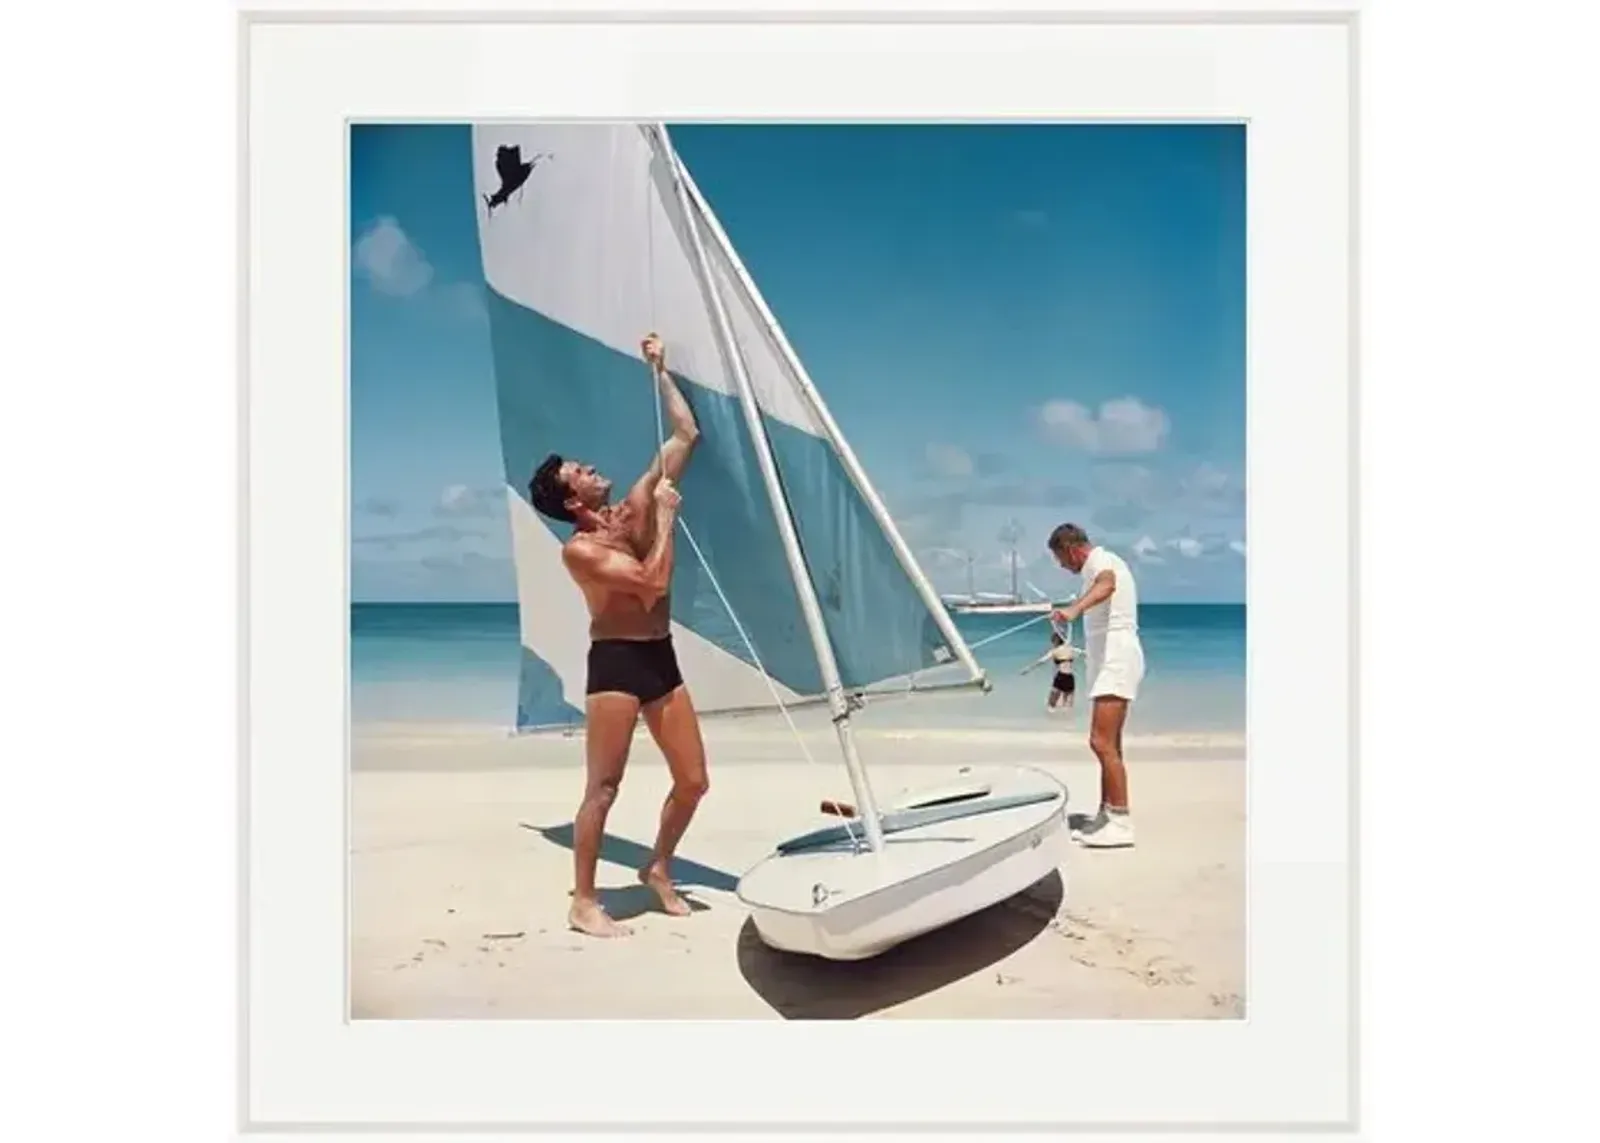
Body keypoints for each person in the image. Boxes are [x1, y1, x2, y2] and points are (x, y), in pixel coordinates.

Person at [526, 332, 707, 937]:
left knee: (694, 781)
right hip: (615, 667)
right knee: (603, 787)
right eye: (580, 471)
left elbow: (685, 436)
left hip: (660, 658)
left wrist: (660, 371)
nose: (592, 467)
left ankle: (656, 867)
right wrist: (669, 518)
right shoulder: (581, 552)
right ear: (571, 498)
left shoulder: (632, 509)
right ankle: (583, 901)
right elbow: (652, 584)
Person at [1047, 523, 1145, 848]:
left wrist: (1074, 609)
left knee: (1100, 742)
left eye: (1061, 559)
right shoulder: (1097, 565)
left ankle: (1120, 821)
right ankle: (1107, 814)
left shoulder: (1101, 563)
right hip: (1111, 661)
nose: (1062, 567)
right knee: (1110, 744)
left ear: (1072, 549)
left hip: (1117, 661)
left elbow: (1108, 585)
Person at [1021, 630, 1083, 713]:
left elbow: (1041, 661)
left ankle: (1051, 721)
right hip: (1070, 677)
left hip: (1060, 676)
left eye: (1053, 640)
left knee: (1051, 705)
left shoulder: (1054, 651)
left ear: (1056, 641)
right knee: (1067, 705)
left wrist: (1028, 669)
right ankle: (1067, 724)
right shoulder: (1071, 649)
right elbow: (1085, 653)